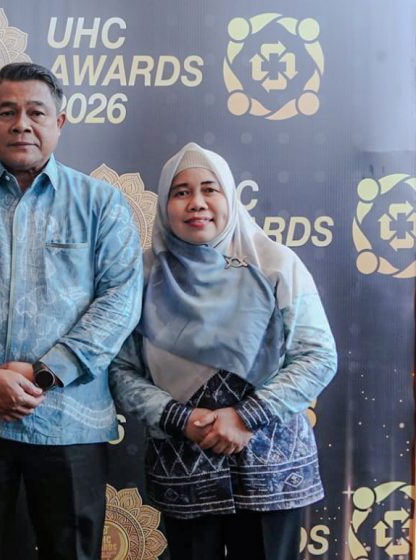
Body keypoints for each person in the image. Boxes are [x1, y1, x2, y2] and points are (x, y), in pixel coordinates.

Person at [0, 62, 143, 560]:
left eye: (36, 112)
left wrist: (44, 373)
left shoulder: (102, 204)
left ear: (59, 122)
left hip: (69, 418)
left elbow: (120, 301)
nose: (21, 124)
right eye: (7, 112)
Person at [109, 142, 336, 559]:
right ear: (165, 204)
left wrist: (246, 417)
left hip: (271, 471)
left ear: (230, 196)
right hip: (184, 469)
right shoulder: (141, 276)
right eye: (181, 192)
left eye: (209, 189)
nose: (196, 203)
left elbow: (317, 355)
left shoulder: (275, 264)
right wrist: (180, 418)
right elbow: (121, 370)